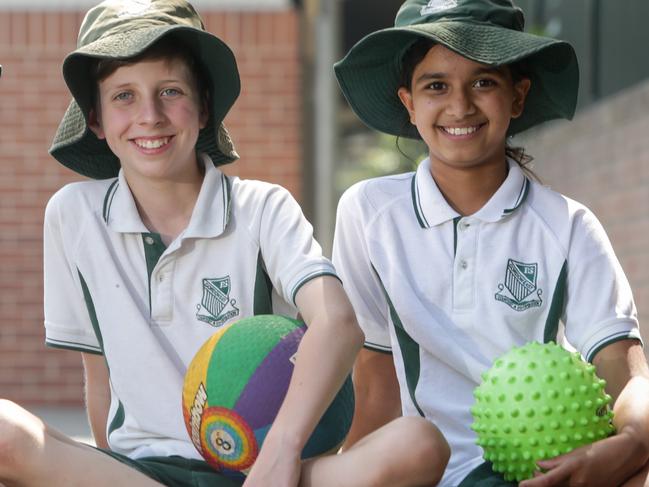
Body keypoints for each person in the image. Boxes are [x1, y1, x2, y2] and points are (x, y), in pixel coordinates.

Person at [0, 1, 449, 486]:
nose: (149, 116)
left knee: (418, 443)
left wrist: (281, 449)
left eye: (170, 91)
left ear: (204, 105)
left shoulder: (262, 207)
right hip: (142, 476)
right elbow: (100, 377)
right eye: (124, 96)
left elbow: (339, 324)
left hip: (262, 471)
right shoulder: (73, 214)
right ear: (96, 119)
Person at [332, 0, 649, 486]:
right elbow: (374, 381)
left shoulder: (568, 224)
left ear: (517, 96)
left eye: (483, 82)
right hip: (422, 467)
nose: (460, 106)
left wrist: (628, 446)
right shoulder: (368, 213)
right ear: (408, 102)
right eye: (435, 85)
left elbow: (626, 376)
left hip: (536, 466)